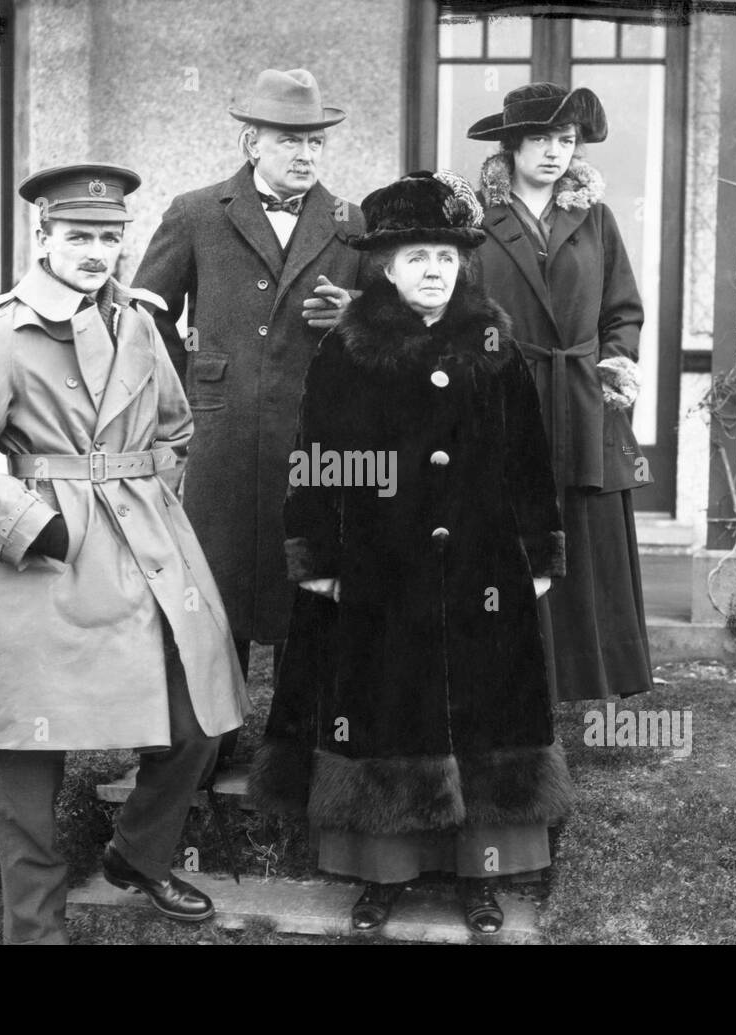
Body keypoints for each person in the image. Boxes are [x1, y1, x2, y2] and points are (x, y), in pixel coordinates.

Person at [0, 163, 250, 944]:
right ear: (44, 237)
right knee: (30, 749)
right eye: (78, 236)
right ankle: (34, 929)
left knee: (201, 708)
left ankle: (139, 851)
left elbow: (174, 423)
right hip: (45, 551)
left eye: (109, 236)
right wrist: (35, 525)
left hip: (147, 540)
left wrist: (151, 487)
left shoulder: (134, 320)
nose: (96, 251)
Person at [248, 171, 573, 935]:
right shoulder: (348, 353)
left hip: (482, 571)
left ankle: (480, 878)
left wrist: (538, 554)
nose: (434, 269)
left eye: (447, 256)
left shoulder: (495, 347)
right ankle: (382, 875)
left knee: (481, 712)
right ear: (386, 267)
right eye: (417, 255)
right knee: (384, 708)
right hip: (378, 570)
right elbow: (315, 459)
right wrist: (318, 555)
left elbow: (528, 457)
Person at [130, 69, 364, 732]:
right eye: (290, 140)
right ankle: (205, 740)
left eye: (315, 141)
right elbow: (146, 314)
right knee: (213, 582)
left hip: (317, 440)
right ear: (250, 141)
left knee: (310, 582)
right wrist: (188, 387)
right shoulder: (197, 212)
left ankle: (300, 744)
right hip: (221, 434)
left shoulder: (352, 223)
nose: (306, 154)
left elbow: (395, 317)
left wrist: (355, 311)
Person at [467, 83, 655, 704]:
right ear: (512, 144)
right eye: (541, 139)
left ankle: (584, 676)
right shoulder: (474, 217)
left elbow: (621, 307)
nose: (555, 152)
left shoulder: (594, 217)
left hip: (581, 396)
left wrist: (616, 362)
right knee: (512, 532)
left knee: (584, 537)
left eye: (566, 141)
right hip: (505, 395)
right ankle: (508, 682)